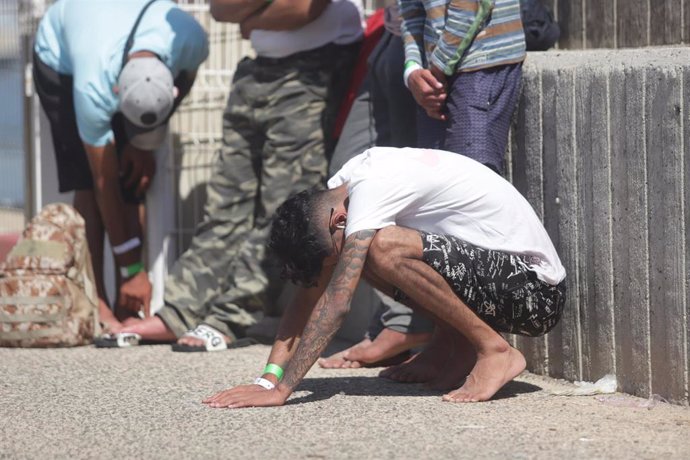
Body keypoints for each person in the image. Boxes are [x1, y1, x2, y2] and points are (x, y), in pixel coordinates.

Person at [202, 146, 566, 408]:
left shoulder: (371, 188)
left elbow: (337, 303)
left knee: (383, 248)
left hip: (533, 291)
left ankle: (494, 350)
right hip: (495, 280)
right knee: (367, 255)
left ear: (337, 222)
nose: (330, 270)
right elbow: (309, 296)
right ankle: (451, 347)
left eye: (330, 255)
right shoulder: (344, 187)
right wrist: (268, 378)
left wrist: (283, 391)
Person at [102, 0, 364, 351]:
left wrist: (249, 19)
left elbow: (304, 10)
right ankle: (180, 310)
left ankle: (234, 315)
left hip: (313, 70)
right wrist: (260, 13)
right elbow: (220, 9)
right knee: (224, 204)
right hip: (258, 71)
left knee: (280, 207)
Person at [33, 0, 209, 330]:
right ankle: (95, 302)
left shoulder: (191, 40)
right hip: (61, 58)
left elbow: (185, 80)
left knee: (134, 179)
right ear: (116, 93)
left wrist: (144, 142)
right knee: (90, 182)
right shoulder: (93, 89)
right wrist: (133, 270)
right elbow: (104, 185)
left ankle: (127, 303)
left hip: (117, 30)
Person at [319, 3, 434, 370]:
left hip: (425, 40)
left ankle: (408, 324)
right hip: (392, 34)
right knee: (344, 181)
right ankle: (397, 322)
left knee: (392, 188)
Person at [401, 0, 526, 174]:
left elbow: (471, 5)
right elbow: (411, 13)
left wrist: (437, 70)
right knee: (436, 183)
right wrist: (413, 71)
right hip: (434, 73)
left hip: (480, 64)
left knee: (471, 181)